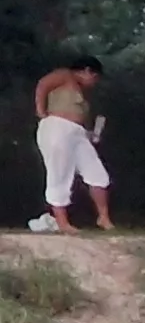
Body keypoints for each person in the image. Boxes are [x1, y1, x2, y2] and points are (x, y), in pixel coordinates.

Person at [31, 55, 110, 234]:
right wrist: (41, 111)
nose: (94, 83)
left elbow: (78, 117)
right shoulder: (65, 75)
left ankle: (103, 218)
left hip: (77, 133)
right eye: (95, 78)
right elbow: (43, 85)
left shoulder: (82, 93)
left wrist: (90, 133)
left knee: (98, 174)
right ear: (87, 71)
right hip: (57, 127)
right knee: (59, 173)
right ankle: (62, 222)